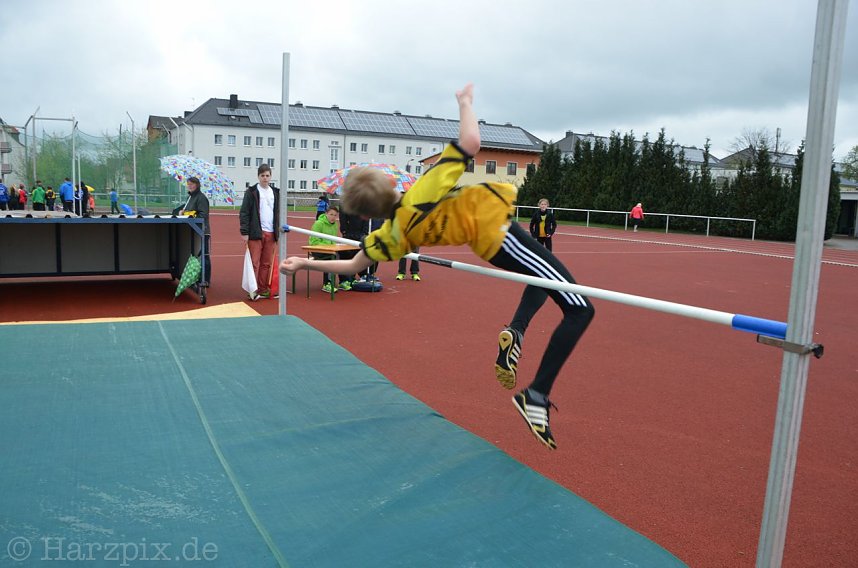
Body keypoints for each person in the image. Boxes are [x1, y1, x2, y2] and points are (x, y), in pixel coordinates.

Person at [281, 83, 595, 450]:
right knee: (580, 310)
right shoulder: (422, 189)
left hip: (491, 243)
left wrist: (304, 263)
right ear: (391, 182)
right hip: (500, 234)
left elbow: (351, 266)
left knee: (541, 280)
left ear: (367, 213)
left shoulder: (390, 235)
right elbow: (472, 142)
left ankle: (517, 332)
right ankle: (536, 395)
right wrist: (464, 103)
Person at [239, 163, 280, 300]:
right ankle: (252, 289)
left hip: (271, 232)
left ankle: (263, 288)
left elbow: (278, 213)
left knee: (266, 263)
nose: (265, 178)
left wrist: (278, 230)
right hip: (256, 232)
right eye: (262, 175)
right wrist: (244, 232)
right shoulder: (251, 192)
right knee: (254, 263)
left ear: (271, 177)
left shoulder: (275, 193)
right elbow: (244, 212)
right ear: (258, 176)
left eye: (267, 175)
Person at [180, 176, 211, 285]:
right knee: (195, 256)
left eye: (192, 184)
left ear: (197, 185)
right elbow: (189, 212)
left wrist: (187, 213)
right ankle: (197, 276)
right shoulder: (189, 197)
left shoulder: (201, 198)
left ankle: (206, 279)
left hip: (202, 231)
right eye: (188, 184)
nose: (190, 186)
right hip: (192, 230)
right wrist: (182, 212)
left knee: (204, 255)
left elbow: (203, 214)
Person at [308, 206, 341, 293]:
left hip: (330, 250)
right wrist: (328, 247)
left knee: (344, 255)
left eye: (335, 215)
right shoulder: (318, 224)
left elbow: (334, 240)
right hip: (317, 251)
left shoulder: (335, 225)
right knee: (332, 257)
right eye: (331, 214)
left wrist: (333, 246)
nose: (333, 217)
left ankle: (345, 281)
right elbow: (314, 242)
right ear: (326, 214)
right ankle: (327, 283)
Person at [338, 208, 369, 290]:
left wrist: (365, 232)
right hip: (349, 233)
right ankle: (344, 280)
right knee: (346, 255)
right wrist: (344, 232)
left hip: (360, 234)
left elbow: (366, 218)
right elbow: (342, 217)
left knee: (358, 255)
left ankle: (352, 277)